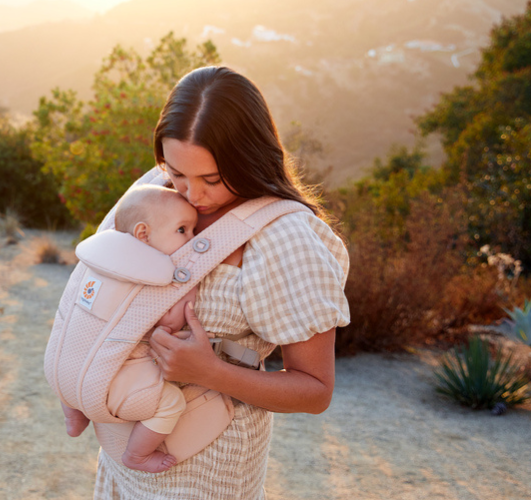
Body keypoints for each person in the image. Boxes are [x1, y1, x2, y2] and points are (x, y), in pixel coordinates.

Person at [92, 66, 350, 499]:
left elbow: (315, 391)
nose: (191, 195)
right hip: (125, 453)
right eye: (177, 171)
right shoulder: (154, 192)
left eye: (211, 179)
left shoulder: (284, 237)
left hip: (208, 469)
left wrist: (210, 371)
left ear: (249, 157)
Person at [62, 184, 202, 474]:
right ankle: (137, 455)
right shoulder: (153, 274)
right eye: (182, 230)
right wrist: (190, 291)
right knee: (171, 403)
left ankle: (73, 416)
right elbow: (170, 323)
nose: (192, 238)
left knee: (70, 364)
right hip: (110, 381)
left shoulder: (100, 257)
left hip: (61, 371)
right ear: (143, 234)